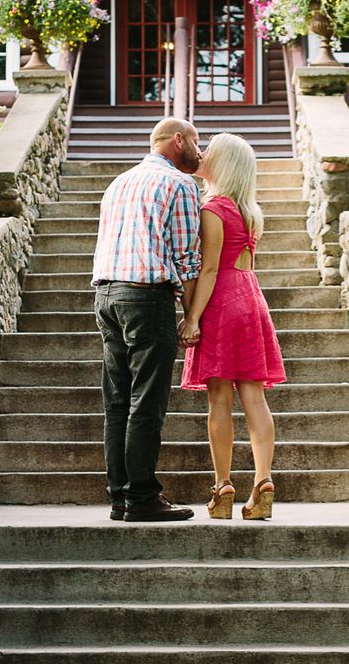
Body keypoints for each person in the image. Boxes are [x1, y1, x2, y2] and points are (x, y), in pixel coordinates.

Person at [91, 115, 205, 522]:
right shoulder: (179, 184)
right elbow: (187, 259)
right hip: (145, 297)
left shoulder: (118, 183)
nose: (200, 150)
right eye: (196, 141)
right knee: (146, 403)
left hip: (106, 296)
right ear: (178, 140)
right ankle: (141, 497)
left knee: (118, 403)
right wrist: (192, 316)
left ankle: (120, 498)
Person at [180, 132, 286, 519]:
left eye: (209, 151)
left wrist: (192, 317)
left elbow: (209, 268)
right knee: (255, 397)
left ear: (222, 164)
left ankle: (223, 485)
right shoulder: (249, 211)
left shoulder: (213, 209)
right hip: (251, 297)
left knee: (220, 400)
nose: (201, 153)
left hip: (223, 299)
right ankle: (263, 482)